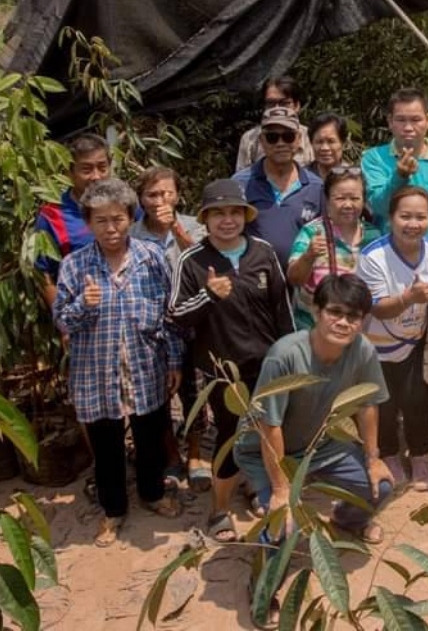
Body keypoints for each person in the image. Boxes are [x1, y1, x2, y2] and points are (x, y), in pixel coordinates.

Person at [53, 179, 184, 547]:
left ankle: (152, 493)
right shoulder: (75, 265)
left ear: (130, 218)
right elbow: (62, 320)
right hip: (96, 371)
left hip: (146, 366)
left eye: (118, 219)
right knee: (106, 443)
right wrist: (84, 304)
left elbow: (169, 314)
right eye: (101, 221)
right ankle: (113, 509)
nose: (111, 228)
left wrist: (174, 360)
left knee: (150, 435)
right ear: (88, 224)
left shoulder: (151, 257)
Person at [169, 179, 294, 544]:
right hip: (223, 371)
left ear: (245, 216)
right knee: (230, 436)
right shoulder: (192, 261)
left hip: (268, 365)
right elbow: (176, 315)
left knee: (268, 431)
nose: (228, 220)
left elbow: (281, 307)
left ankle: (255, 487)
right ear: (205, 219)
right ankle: (219, 509)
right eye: (218, 213)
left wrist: (289, 353)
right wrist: (208, 295)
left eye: (235, 212)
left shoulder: (263, 252)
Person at [234, 273, 395, 541]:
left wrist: (373, 458)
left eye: (353, 316)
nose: (343, 323)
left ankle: (347, 521)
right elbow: (270, 426)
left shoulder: (362, 350)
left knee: (382, 486)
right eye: (335, 312)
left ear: (363, 320)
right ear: (316, 311)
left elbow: (368, 404)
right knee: (286, 525)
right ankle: (267, 564)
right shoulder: (284, 355)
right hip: (263, 451)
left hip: (320, 445)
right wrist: (281, 490)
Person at [357, 186, 428, 492]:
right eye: (405, 216)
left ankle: (420, 455)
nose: (413, 224)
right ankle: (389, 454)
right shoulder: (372, 256)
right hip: (376, 347)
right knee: (383, 406)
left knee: (418, 402)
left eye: (421, 217)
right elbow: (376, 308)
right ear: (391, 218)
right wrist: (408, 298)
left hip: (415, 342)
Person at [129, 167, 206, 492]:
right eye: (152, 194)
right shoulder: (132, 234)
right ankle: (171, 455)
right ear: (141, 199)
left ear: (178, 195)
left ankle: (196, 454)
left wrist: (175, 227)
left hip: (192, 322)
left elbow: (204, 262)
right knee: (158, 393)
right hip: (152, 327)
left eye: (167, 193)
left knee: (195, 390)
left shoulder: (194, 226)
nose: (160, 200)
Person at [360, 87, 428, 285]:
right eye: (401, 120)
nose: (408, 127)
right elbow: (378, 207)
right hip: (385, 269)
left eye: (416, 120)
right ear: (390, 121)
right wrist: (399, 176)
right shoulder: (373, 159)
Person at [286, 165, 380, 329]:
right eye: (340, 198)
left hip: (356, 330)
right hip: (312, 331)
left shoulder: (374, 236)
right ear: (328, 201)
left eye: (355, 198)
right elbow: (294, 279)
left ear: (364, 201)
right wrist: (309, 256)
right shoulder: (312, 232)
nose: (348, 205)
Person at [233, 108, 324, 270]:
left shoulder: (317, 187)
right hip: (254, 278)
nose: (281, 143)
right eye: (272, 137)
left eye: (288, 136)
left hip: (303, 278)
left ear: (299, 139)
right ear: (261, 141)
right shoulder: (240, 184)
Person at [36, 134, 112, 308]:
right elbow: (42, 273)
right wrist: (63, 317)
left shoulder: (126, 203)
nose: (96, 176)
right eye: (86, 170)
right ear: (69, 172)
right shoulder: (52, 214)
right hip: (82, 313)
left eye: (102, 168)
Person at [233, 76, 315, 173]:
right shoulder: (250, 139)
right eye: (271, 103)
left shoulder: (311, 137)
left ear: (297, 105)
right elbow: (241, 177)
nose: (277, 108)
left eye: (284, 103)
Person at [306, 113, 347, 178]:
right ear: (311, 143)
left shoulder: (354, 178)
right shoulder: (301, 176)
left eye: (331, 141)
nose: (325, 148)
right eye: (319, 142)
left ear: (343, 143)